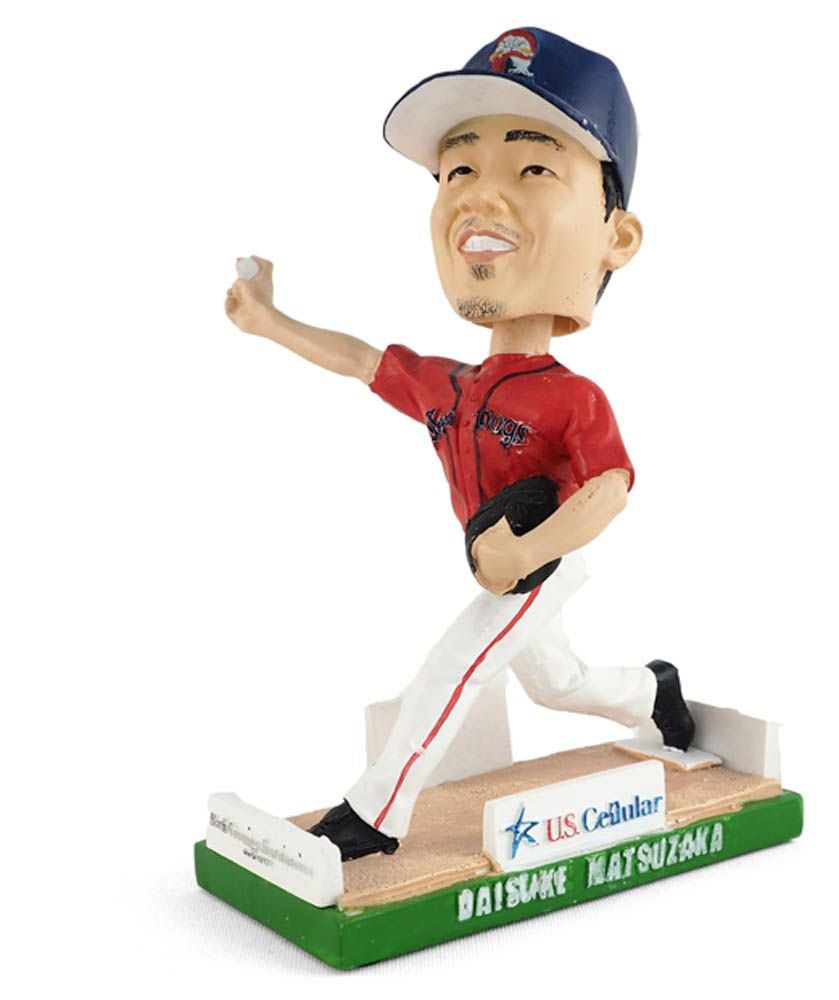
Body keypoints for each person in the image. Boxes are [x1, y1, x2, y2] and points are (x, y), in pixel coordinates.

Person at [224, 27, 695, 861]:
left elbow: (611, 487)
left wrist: (528, 554)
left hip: (538, 562)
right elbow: (361, 361)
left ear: (615, 237)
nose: (481, 198)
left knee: (452, 666)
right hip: (504, 560)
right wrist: (270, 321)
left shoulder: (572, 396)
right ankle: (652, 695)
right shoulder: (454, 385)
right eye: (459, 171)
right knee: (559, 682)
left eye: (534, 168)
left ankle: (375, 815)